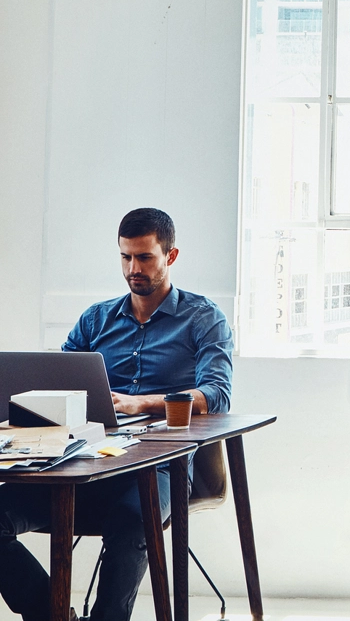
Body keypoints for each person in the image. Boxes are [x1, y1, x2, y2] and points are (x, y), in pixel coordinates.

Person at [0, 208, 233, 621]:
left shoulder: (203, 318)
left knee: (133, 521)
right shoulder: (97, 318)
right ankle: (52, 614)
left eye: (144, 257)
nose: (133, 268)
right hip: (83, 461)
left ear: (171, 256)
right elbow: (56, 380)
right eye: (125, 257)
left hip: (158, 467)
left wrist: (138, 403)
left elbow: (216, 394)